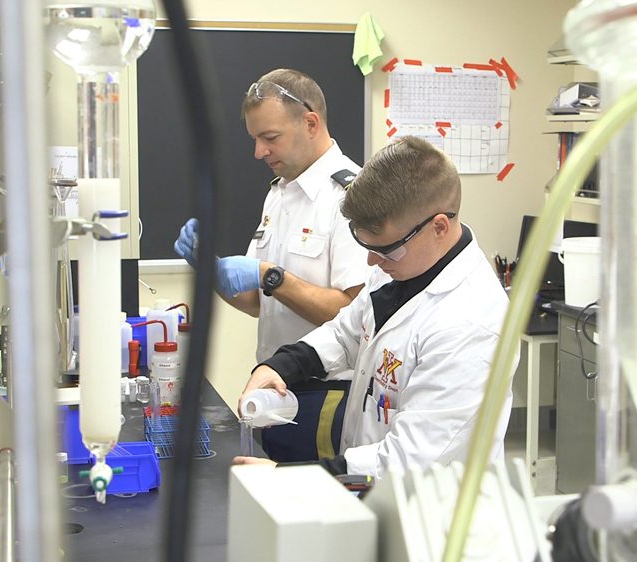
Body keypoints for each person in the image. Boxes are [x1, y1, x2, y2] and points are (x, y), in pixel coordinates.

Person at [233, 136, 514, 479]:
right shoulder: (404, 266)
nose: (371, 260)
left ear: (439, 226)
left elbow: (410, 460)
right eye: (365, 245)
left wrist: (291, 478)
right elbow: (346, 333)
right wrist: (281, 366)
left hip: (431, 516)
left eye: (385, 249)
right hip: (375, 498)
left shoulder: (469, 324)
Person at [174, 69, 370, 460]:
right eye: (255, 139)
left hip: (326, 392)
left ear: (310, 122)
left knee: (314, 509)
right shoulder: (279, 194)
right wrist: (211, 269)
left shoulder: (350, 196)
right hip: (273, 384)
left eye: (270, 138)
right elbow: (255, 299)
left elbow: (356, 313)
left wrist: (271, 277)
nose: (259, 152)